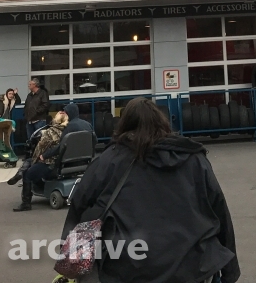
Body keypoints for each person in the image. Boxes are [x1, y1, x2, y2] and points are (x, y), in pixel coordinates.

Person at [61, 97, 240, 283]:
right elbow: (219, 212)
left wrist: (72, 265)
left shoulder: (106, 163)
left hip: (125, 269)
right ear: (162, 122)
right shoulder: (194, 160)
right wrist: (230, 271)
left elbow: (78, 212)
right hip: (193, 268)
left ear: (124, 125)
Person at [14, 110, 69, 211]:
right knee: (31, 163)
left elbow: (39, 151)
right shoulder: (68, 131)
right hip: (63, 163)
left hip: (49, 164)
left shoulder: (50, 133)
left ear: (55, 120)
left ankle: (26, 203)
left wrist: (35, 161)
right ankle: (22, 172)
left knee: (28, 173)